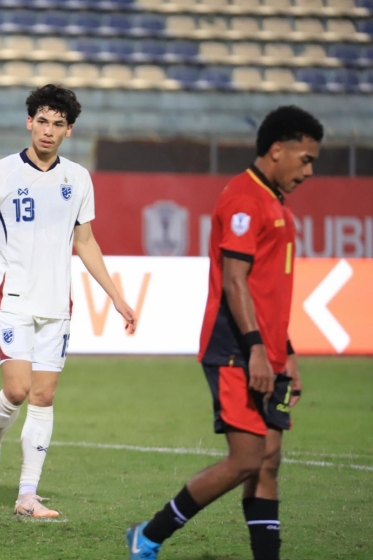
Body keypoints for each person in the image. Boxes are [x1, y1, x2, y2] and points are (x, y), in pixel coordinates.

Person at [0, 84, 137, 519]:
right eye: (42, 121)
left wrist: (116, 296)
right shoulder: (0, 173)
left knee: (44, 396)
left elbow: (87, 242)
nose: (48, 131)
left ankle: (27, 496)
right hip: (12, 299)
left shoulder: (77, 179)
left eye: (58, 124)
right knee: (17, 390)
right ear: (29, 122)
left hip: (57, 303)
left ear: (69, 131)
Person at [126, 106, 322, 560]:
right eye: (306, 159)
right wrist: (256, 349)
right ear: (277, 151)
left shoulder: (276, 203)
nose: (309, 170)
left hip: (267, 352)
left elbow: (267, 290)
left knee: (269, 462)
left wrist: (285, 350)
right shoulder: (243, 199)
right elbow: (235, 281)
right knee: (246, 460)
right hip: (236, 350)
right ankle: (149, 536)